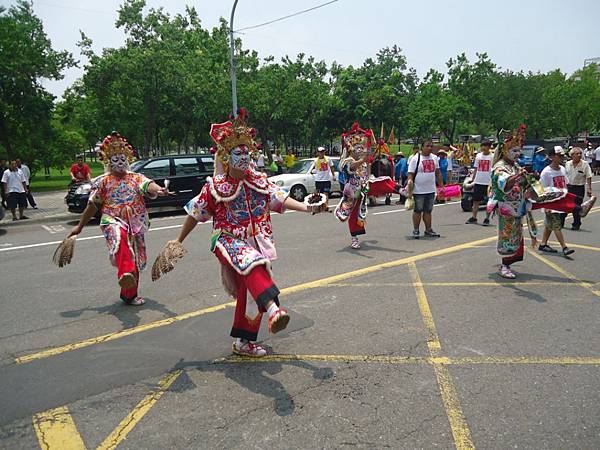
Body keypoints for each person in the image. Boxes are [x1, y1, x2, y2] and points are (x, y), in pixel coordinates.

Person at [154, 109, 327, 357]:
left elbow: (279, 199)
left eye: (247, 152)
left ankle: (244, 343)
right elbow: (196, 214)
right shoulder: (215, 186)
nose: (244, 156)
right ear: (226, 156)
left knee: (252, 285)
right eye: (238, 152)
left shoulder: (258, 179)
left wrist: (308, 207)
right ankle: (274, 309)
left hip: (255, 240)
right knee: (252, 263)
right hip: (226, 238)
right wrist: (178, 240)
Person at [65, 132, 168, 305]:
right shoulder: (102, 182)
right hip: (112, 219)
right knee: (120, 241)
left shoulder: (136, 178)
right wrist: (80, 226)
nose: (120, 162)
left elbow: (148, 185)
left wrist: (159, 190)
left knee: (135, 259)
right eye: (115, 159)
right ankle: (125, 272)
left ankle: (129, 295)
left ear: (127, 160)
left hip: (135, 223)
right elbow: (92, 205)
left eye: (122, 159)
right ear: (108, 162)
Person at [491, 126, 596, 279]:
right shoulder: (499, 167)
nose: (517, 154)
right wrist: (517, 177)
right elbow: (503, 183)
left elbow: (524, 180)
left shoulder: (515, 165)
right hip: (508, 207)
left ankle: (579, 209)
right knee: (510, 236)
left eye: (518, 150)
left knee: (553, 194)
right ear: (504, 151)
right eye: (514, 151)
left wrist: (531, 181)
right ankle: (504, 265)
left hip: (522, 200)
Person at [334, 123, 395, 249]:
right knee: (353, 214)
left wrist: (368, 166)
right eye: (357, 148)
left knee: (382, 182)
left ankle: (401, 190)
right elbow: (351, 168)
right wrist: (363, 160)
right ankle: (354, 239)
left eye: (361, 148)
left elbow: (366, 172)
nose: (360, 150)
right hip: (352, 191)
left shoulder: (364, 163)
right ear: (351, 150)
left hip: (364, 186)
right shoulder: (347, 161)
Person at [538, 147, 575, 255]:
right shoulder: (546, 172)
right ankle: (564, 247)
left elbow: (565, 185)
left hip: (561, 202)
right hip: (551, 203)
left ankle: (543, 244)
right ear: (551, 157)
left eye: (563, 156)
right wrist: (546, 205)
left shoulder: (562, 169)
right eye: (560, 156)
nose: (562, 158)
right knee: (556, 225)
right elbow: (541, 189)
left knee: (550, 225)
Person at [406, 140, 445, 239]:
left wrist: (441, 187)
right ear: (422, 147)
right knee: (418, 210)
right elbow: (410, 174)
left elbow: (438, 173)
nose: (430, 148)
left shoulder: (434, 158)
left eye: (431, 146)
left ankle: (428, 229)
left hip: (431, 190)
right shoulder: (415, 159)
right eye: (427, 146)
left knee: (428, 211)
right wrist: (409, 188)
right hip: (418, 190)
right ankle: (416, 230)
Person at [564, 147, 593, 231]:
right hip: (568, 187)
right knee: (564, 206)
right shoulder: (567, 164)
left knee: (576, 207)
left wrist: (589, 188)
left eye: (580, 153)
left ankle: (576, 224)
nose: (579, 155)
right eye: (577, 154)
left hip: (579, 188)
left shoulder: (585, 164)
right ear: (572, 155)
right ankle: (560, 222)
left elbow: (589, 176)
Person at [466, 140, 494, 225]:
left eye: (485, 146)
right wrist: (473, 179)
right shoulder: (478, 156)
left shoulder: (492, 157)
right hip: (478, 181)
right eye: (482, 146)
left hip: (489, 182)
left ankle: (487, 218)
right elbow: (476, 169)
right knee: (476, 201)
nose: (483, 148)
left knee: (489, 201)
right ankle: (474, 217)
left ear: (489, 147)